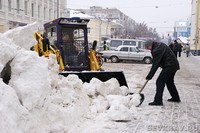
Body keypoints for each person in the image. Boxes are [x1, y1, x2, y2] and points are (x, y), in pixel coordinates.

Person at [145, 40, 181, 106]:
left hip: (169, 66)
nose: (147, 49)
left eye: (147, 47)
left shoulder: (156, 49)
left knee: (159, 81)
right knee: (169, 82)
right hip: (173, 65)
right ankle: (175, 97)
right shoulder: (158, 45)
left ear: (150, 45)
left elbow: (155, 64)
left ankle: (158, 101)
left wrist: (150, 75)